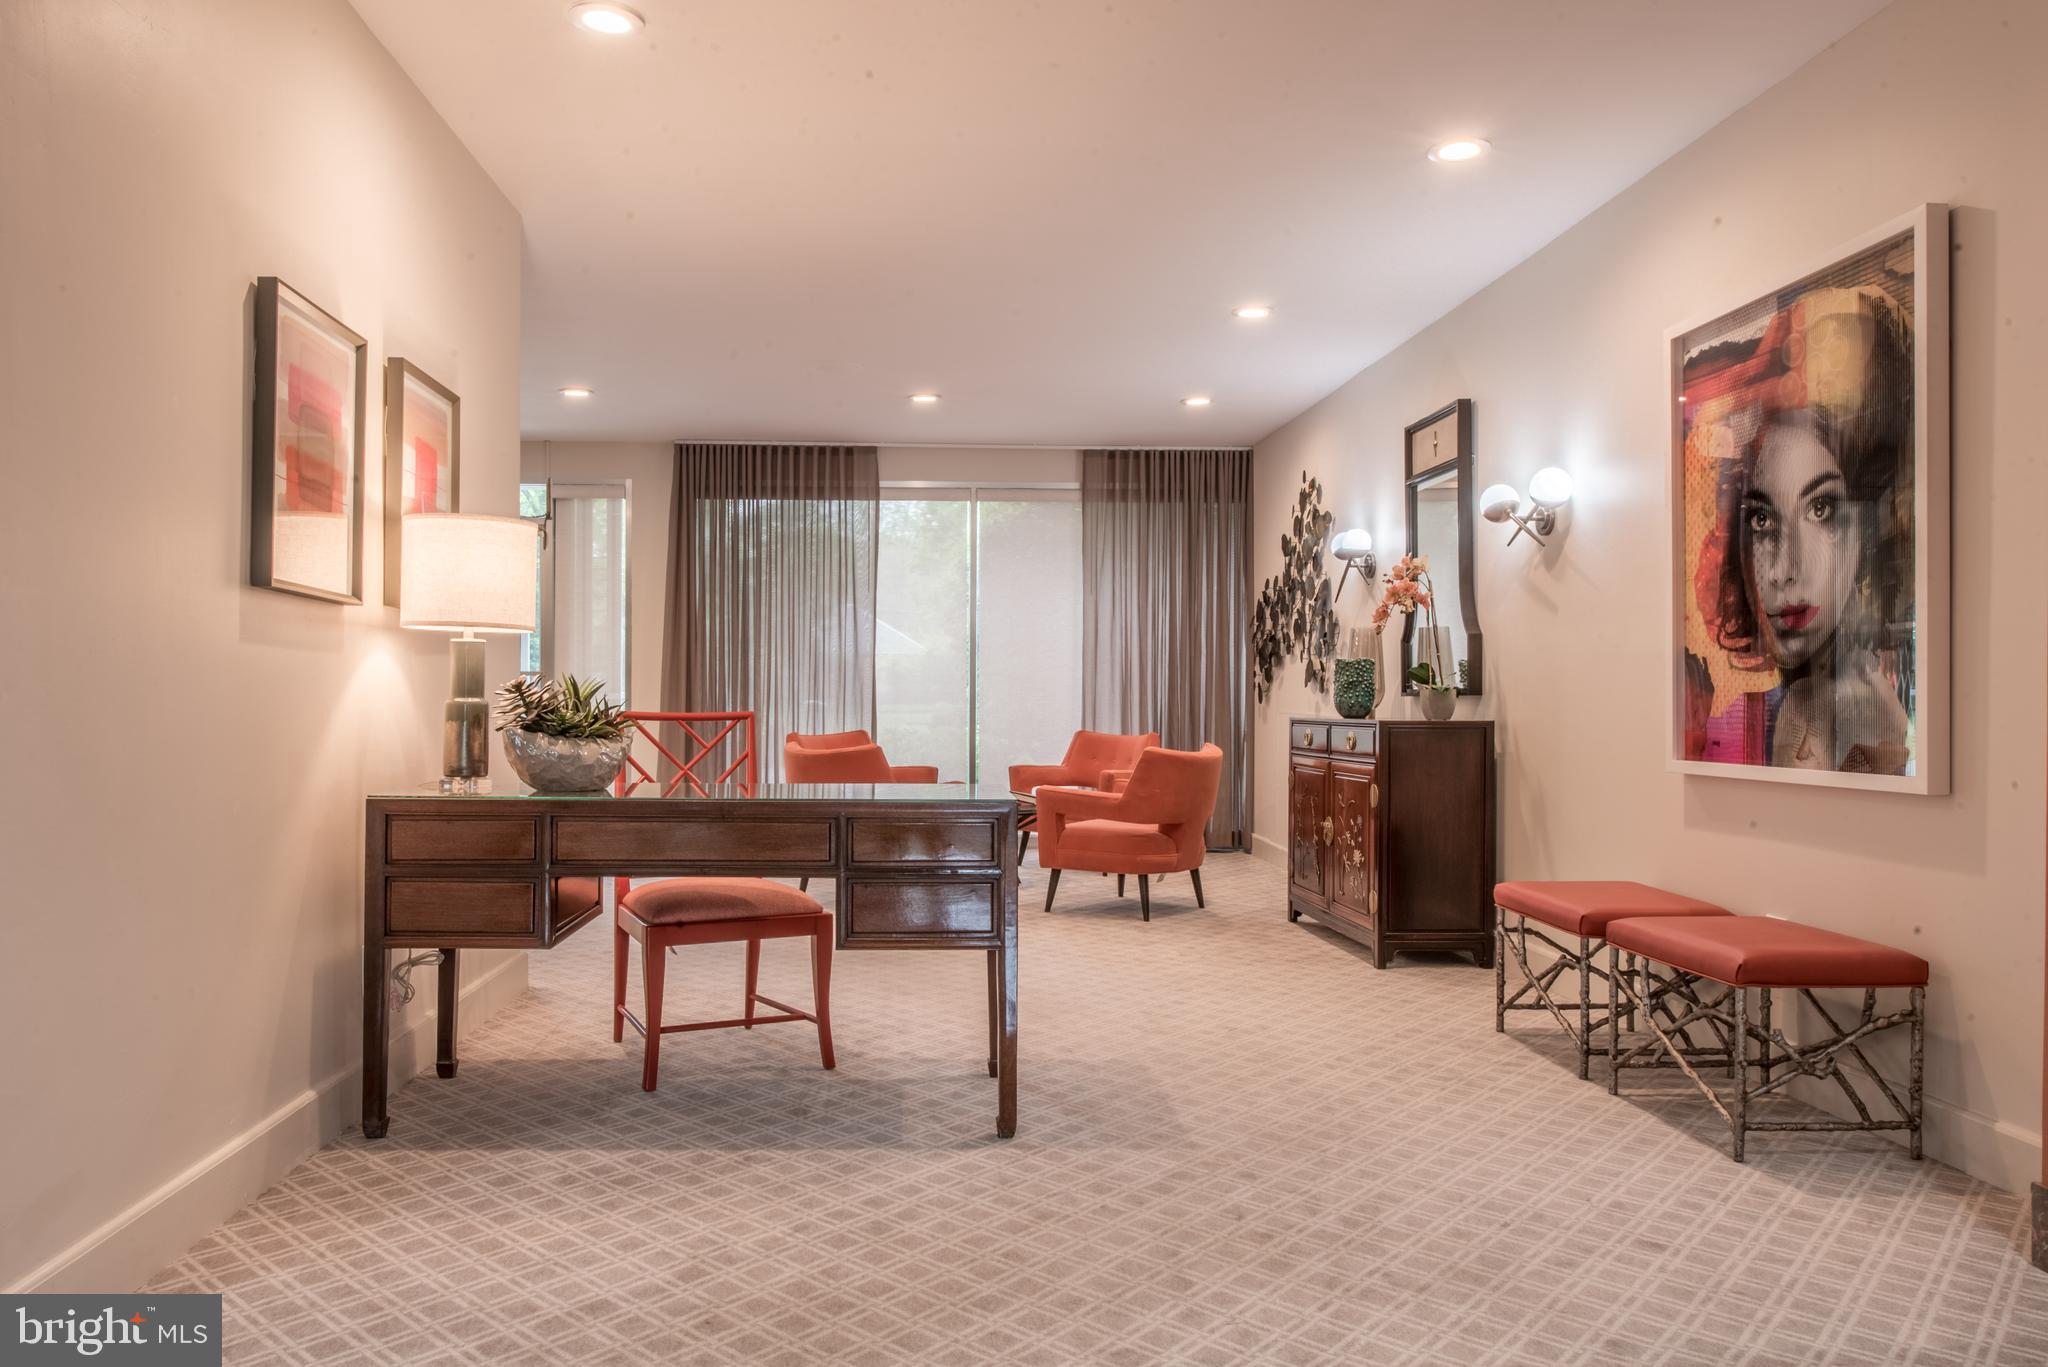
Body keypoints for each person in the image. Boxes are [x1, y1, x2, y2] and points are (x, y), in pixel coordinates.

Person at [1707, 286, 1915, 775]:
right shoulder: (1801, 699)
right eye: (1762, 519)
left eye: (1821, 509)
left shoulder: (1863, 704)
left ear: (1869, 525)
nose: (1782, 570)